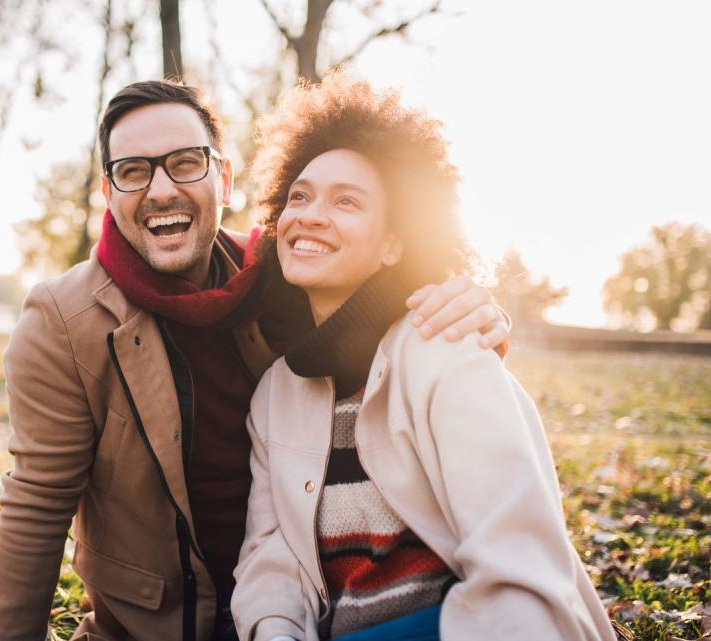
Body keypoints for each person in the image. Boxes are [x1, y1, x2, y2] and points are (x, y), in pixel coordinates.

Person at [0, 79, 509, 641]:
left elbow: (393, 297)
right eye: (132, 170)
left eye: (184, 162)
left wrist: (477, 310)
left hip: (312, 592)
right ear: (109, 191)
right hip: (166, 622)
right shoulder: (63, 320)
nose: (160, 190)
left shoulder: (283, 274)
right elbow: (36, 504)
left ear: (223, 179)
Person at [230, 74, 615, 641]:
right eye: (300, 196)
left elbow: (517, 561)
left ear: (393, 243)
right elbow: (272, 558)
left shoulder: (448, 344)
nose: (309, 215)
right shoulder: (275, 394)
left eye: (346, 202)